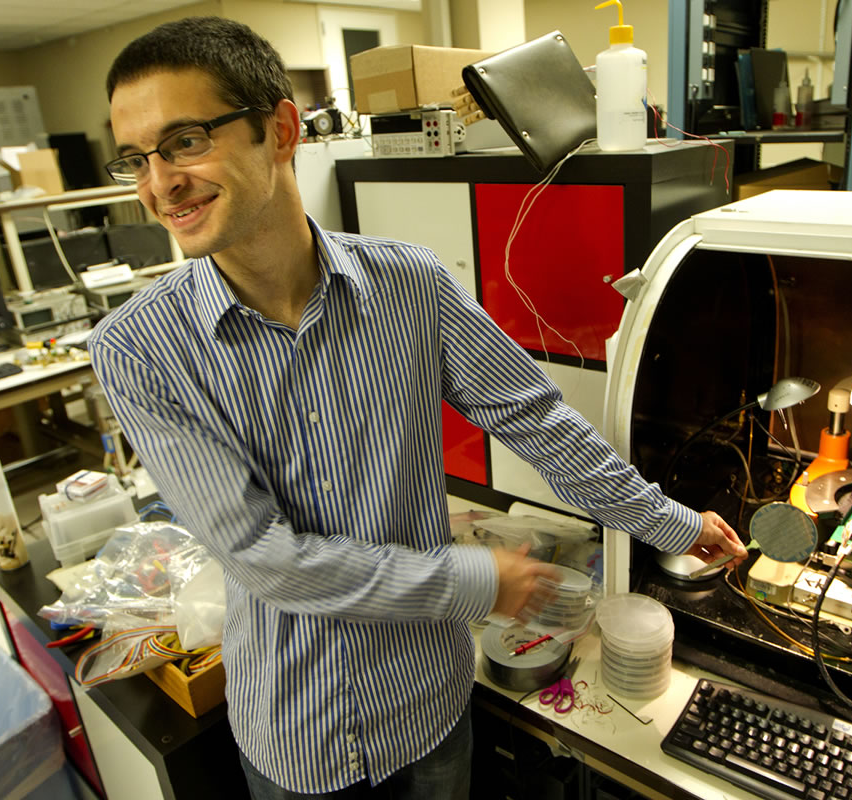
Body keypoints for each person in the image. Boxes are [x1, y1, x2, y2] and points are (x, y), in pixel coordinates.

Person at [90, 16, 746, 800]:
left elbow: (536, 420)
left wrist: (674, 523)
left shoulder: (409, 285)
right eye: (138, 159)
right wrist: (475, 580)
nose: (160, 183)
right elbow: (265, 559)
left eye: (186, 140)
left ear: (281, 128)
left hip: (428, 709)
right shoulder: (139, 348)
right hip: (299, 736)